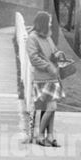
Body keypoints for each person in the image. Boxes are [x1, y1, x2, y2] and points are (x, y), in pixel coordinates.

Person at [25, 11, 65, 147]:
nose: (50, 24)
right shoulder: (33, 38)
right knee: (51, 107)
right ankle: (40, 135)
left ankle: (50, 136)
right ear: (42, 23)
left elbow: (53, 51)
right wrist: (48, 66)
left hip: (53, 77)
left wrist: (58, 54)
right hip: (42, 78)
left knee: (52, 108)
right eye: (48, 22)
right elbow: (33, 58)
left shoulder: (48, 36)